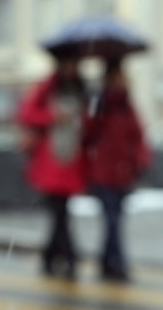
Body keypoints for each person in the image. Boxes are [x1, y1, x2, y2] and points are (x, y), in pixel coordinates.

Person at [17, 54, 88, 279]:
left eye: (74, 64)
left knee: (60, 215)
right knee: (60, 214)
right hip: (50, 161)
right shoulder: (47, 88)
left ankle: (50, 258)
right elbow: (26, 114)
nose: (71, 68)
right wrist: (53, 116)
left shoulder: (81, 90)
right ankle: (68, 258)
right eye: (67, 63)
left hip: (71, 160)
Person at [85, 58, 150, 282]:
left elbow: (138, 135)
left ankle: (106, 263)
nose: (120, 83)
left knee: (114, 221)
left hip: (123, 174)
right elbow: (88, 134)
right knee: (112, 220)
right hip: (103, 174)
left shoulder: (126, 106)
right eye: (116, 79)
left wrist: (140, 161)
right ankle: (117, 264)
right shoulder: (100, 104)